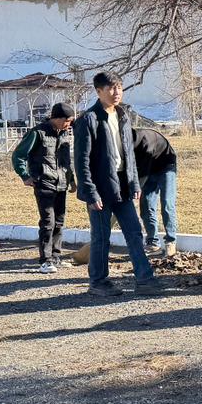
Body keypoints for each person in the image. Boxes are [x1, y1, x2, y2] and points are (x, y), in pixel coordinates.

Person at [73, 72, 157, 296]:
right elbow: (81, 161)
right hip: (100, 187)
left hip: (124, 185)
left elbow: (129, 153)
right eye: (111, 88)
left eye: (119, 87)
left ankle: (145, 279)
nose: (116, 92)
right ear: (98, 91)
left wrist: (135, 184)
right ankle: (98, 282)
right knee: (101, 237)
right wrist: (90, 193)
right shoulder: (88, 119)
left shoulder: (122, 115)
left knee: (134, 232)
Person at [11, 102, 76, 273]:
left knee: (59, 222)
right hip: (44, 182)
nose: (69, 124)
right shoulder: (38, 133)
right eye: (68, 120)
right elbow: (19, 155)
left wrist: (72, 180)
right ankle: (45, 260)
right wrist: (24, 175)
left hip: (61, 184)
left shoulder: (64, 134)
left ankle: (56, 257)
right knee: (48, 222)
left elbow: (66, 161)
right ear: (57, 118)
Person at [133, 127, 178, 256]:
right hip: (148, 169)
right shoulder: (125, 145)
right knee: (146, 205)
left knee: (167, 203)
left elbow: (143, 171)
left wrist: (137, 188)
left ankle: (171, 242)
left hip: (166, 166)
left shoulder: (145, 141)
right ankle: (153, 243)